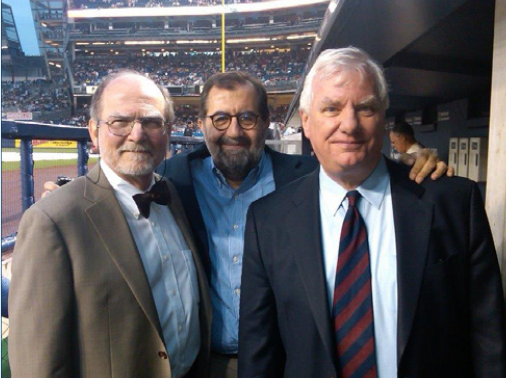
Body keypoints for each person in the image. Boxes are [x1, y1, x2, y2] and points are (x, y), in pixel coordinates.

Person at [42, 71, 450, 378]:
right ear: (201, 123)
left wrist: (414, 163)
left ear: (268, 122)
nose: (234, 131)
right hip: (202, 365)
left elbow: (361, 168)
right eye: (220, 119)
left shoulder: (309, 176)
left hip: (286, 362)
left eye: (248, 118)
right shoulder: (174, 182)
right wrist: (67, 198)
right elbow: (117, 190)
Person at [238, 48, 506, 378]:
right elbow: (259, 351)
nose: (349, 125)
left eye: (365, 108)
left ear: (383, 117)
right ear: (306, 122)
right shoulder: (267, 220)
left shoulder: (453, 202)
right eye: (331, 108)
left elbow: (489, 336)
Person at [9, 70, 211, 378]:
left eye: (151, 122)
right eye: (120, 122)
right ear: (93, 131)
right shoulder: (52, 221)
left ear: (168, 131)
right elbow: (38, 365)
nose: (138, 134)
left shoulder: (176, 197)